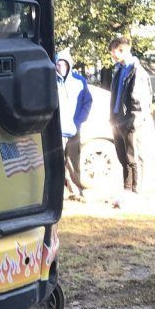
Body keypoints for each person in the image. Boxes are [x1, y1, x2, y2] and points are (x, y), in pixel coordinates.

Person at [108, 35, 153, 198]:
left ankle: (136, 190)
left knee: (133, 158)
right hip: (117, 120)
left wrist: (132, 122)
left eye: (114, 52)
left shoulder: (137, 71)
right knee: (123, 158)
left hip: (131, 122)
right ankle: (127, 188)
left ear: (122, 51)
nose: (112, 55)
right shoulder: (119, 70)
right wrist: (113, 119)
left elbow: (139, 100)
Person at [55, 49, 92, 198]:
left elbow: (87, 102)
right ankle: (59, 193)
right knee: (56, 162)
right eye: (58, 64)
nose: (61, 67)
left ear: (69, 65)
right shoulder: (50, 80)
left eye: (64, 64)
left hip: (73, 130)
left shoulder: (79, 81)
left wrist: (78, 121)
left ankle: (76, 191)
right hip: (56, 131)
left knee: (73, 161)